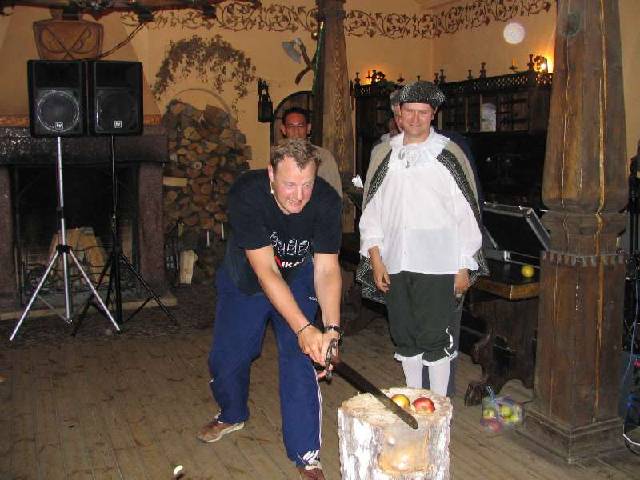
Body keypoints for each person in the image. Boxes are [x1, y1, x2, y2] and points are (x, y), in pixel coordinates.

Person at [197, 139, 343, 480]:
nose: (299, 196)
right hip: (247, 278)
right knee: (228, 357)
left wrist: (331, 330)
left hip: (298, 276)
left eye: (307, 185)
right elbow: (266, 272)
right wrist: (303, 327)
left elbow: (326, 269)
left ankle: (306, 453)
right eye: (290, 184)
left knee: (301, 356)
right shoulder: (247, 194)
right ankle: (232, 413)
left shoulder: (326, 201)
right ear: (271, 175)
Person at [358, 81, 488, 396]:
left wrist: (463, 265)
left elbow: (466, 213)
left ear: (433, 114)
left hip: (439, 262)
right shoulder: (383, 154)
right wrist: (376, 260)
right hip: (395, 260)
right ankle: (415, 401)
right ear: (399, 114)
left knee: (435, 339)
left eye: (423, 112)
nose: (415, 119)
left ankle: (438, 407)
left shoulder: (449, 153)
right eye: (410, 112)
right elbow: (372, 212)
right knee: (405, 336)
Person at [280, 106, 343, 198]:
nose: (296, 131)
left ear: (308, 128)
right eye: (291, 126)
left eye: (300, 126)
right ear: (283, 129)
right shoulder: (278, 158)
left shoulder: (324, 157)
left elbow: (335, 194)